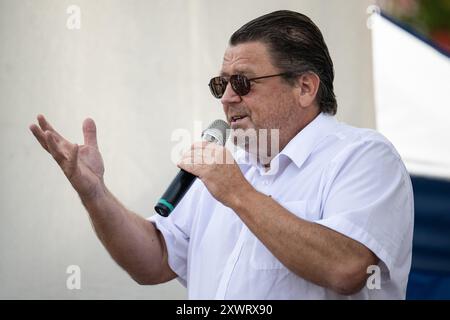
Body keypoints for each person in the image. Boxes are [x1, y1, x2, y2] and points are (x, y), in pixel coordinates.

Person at [29, 10, 414, 299]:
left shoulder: (364, 157)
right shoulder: (228, 166)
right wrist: (95, 194)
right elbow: (153, 261)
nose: (228, 98)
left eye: (243, 83)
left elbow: (347, 267)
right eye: (221, 84)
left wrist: (238, 193)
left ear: (305, 87)